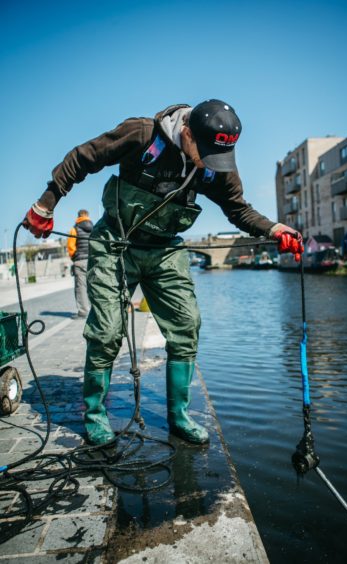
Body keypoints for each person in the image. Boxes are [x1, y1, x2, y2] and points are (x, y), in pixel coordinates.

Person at [23, 99, 303, 447]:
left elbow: (237, 208)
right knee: (107, 331)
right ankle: (94, 413)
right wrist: (45, 204)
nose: (211, 163)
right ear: (187, 133)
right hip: (117, 242)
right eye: (206, 152)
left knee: (187, 325)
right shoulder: (141, 135)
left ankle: (179, 416)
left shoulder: (216, 160)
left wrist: (275, 229)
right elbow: (84, 158)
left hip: (164, 249)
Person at [67, 209, 93, 318]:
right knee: (93, 286)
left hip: (80, 261)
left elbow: (71, 247)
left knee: (81, 287)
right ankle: (95, 311)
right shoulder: (94, 228)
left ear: (78, 216)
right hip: (93, 260)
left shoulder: (75, 229)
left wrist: (74, 257)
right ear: (88, 216)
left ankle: (83, 311)